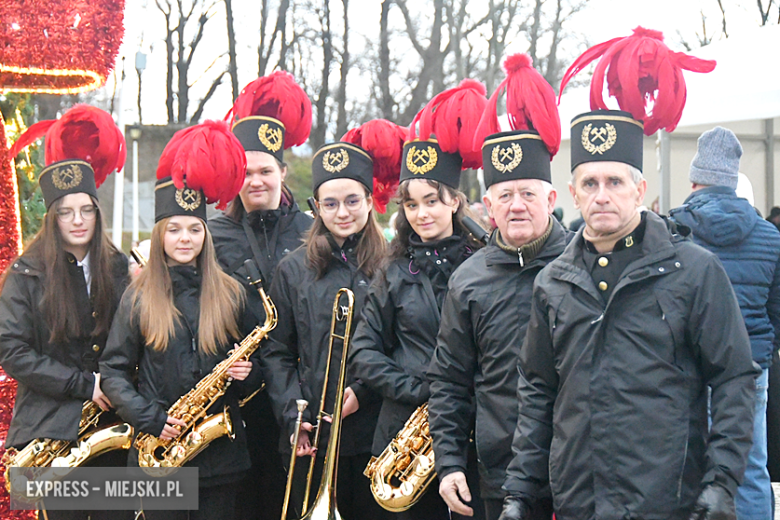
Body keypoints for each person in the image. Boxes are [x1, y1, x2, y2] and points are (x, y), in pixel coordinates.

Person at [498, 28, 758, 520]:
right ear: (572, 194)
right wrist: (520, 491)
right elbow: (537, 390)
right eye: (590, 183)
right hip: (579, 498)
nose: (602, 195)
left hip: (666, 500)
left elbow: (734, 378)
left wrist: (723, 479)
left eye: (615, 181)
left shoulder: (694, 271)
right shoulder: (553, 282)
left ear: (639, 189)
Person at [427, 54, 568, 520]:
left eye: (528, 193)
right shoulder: (468, 280)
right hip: (501, 474)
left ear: (551, 197)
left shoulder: (582, 265)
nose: (517, 206)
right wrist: (448, 462)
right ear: (487, 204)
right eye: (505, 196)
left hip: (579, 472)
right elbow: (449, 380)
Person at [100, 121, 260, 520]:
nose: (185, 238)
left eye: (194, 228)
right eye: (173, 229)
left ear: (206, 234)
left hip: (221, 459)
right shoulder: (137, 295)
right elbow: (113, 371)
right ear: (159, 235)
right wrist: (149, 417)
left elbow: (261, 370)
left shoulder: (233, 291)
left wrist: (248, 373)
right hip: (159, 455)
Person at [349, 80, 488, 520]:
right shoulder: (390, 272)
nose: (422, 213)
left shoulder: (486, 266)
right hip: (403, 437)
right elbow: (365, 352)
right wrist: (421, 391)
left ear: (454, 201)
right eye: (411, 204)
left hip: (474, 430)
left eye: (432, 200)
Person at [262, 120, 405, 520]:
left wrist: (365, 390)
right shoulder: (292, 270)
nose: (342, 213)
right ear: (316, 207)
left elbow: (404, 346)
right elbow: (276, 353)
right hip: (314, 434)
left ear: (370, 200)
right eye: (330, 203)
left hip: (377, 429)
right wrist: (294, 416)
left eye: (352, 201)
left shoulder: (394, 265)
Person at [0, 105, 129, 520]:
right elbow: (12, 350)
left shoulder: (119, 267)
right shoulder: (25, 272)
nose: (77, 221)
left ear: (97, 211)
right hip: (53, 429)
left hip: (112, 427)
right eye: (66, 212)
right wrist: (84, 385)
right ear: (53, 217)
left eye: (85, 210)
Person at [208, 71, 313, 520]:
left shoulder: (312, 232)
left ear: (283, 172)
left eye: (266, 171)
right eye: (246, 172)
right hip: (239, 399)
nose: (256, 181)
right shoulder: (213, 235)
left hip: (299, 395)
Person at [669, 126, 780, 520]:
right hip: (751, 366)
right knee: (749, 467)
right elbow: (775, 310)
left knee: (691, 465)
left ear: (695, 178)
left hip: (691, 365)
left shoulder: (677, 230)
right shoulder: (770, 235)